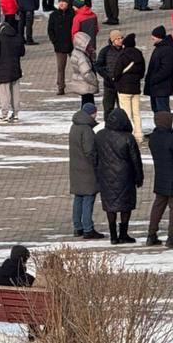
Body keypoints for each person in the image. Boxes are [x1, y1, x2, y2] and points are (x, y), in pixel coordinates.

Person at [95, 106, 143, 245]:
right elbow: (136, 160)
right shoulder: (128, 137)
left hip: (106, 175)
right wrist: (139, 177)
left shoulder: (100, 135)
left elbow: (94, 155)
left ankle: (113, 236)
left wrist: (97, 171)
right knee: (125, 206)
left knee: (110, 205)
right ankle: (123, 234)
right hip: (125, 176)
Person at [145, 110, 173, 248]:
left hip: (160, 176)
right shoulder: (172, 138)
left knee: (158, 205)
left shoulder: (153, 138)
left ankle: (151, 235)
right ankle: (172, 236)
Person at [67, 102, 102, 240]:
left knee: (78, 198)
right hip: (87, 170)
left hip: (76, 168)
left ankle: (78, 227)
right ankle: (88, 229)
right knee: (88, 198)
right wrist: (97, 163)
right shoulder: (86, 129)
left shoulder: (74, 126)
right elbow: (90, 151)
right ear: (92, 113)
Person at [112, 32, 146, 142]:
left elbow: (117, 72)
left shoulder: (123, 55)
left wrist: (116, 79)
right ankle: (139, 134)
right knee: (136, 112)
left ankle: (128, 135)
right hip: (135, 88)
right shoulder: (139, 54)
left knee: (126, 113)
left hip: (123, 88)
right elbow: (142, 72)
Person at [0, 19, 25, 124]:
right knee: (15, 92)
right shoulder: (18, 37)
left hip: (3, 70)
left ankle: (4, 114)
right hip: (15, 69)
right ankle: (15, 114)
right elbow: (22, 52)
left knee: (4, 93)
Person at [144, 25, 173, 113]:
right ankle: (160, 126)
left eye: (154, 36)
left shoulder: (167, 50)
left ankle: (165, 126)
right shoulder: (159, 48)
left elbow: (166, 69)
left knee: (162, 111)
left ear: (159, 36)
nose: (152, 38)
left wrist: (154, 79)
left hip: (162, 87)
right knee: (157, 110)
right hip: (156, 87)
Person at [46, 0, 74, 96]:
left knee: (77, 66)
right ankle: (61, 87)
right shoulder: (54, 15)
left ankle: (80, 86)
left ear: (68, 3)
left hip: (71, 45)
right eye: (60, 2)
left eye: (64, 2)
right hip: (59, 46)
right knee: (60, 68)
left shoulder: (72, 14)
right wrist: (54, 41)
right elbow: (50, 30)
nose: (62, 4)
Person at [68, 31, 99, 111]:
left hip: (82, 83)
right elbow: (86, 72)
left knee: (85, 104)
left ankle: (85, 118)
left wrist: (92, 55)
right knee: (89, 106)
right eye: (88, 44)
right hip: (86, 84)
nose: (90, 45)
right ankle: (87, 120)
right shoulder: (82, 56)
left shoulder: (77, 52)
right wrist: (95, 81)